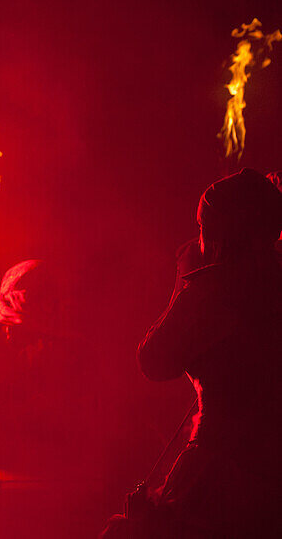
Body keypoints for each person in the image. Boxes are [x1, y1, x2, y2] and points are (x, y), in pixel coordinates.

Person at [104, 168, 282, 538]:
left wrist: (185, 280)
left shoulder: (216, 289)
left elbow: (154, 360)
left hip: (223, 470)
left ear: (215, 232)